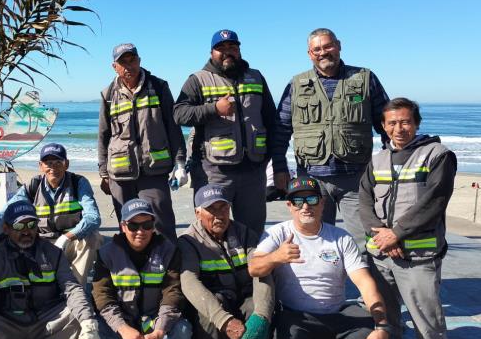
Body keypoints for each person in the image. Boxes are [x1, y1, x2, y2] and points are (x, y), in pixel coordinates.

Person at [271, 28, 390, 251]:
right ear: (309, 53)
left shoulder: (364, 78)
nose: (323, 52)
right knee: (317, 242)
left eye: (328, 46)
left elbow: (386, 124)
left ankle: (369, 286)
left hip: (356, 179)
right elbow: (280, 130)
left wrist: (390, 165)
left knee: (365, 243)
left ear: (339, 45)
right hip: (312, 180)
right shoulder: (297, 84)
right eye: (317, 49)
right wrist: (279, 168)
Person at [249, 177, 390, 339]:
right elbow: (254, 267)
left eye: (312, 200)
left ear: (322, 203)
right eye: (298, 201)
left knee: (372, 337)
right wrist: (276, 257)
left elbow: (365, 283)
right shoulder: (276, 234)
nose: (305, 207)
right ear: (289, 206)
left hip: (337, 312)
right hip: (295, 315)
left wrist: (382, 325)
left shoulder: (341, 238)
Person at [359, 97, 456, 339]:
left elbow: (434, 201)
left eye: (405, 122)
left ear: (416, 123)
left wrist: (396, 234)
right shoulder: (377, 159)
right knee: (386, 326)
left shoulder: (438, 155)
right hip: (381, 258)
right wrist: (379, 235)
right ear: (383, 126)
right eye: (392, 123)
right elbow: (364, 199)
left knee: (428, 327)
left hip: (418, 259)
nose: (399, 129)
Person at [0, 142, 102, 285]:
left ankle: (76, 290)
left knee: (92, 237)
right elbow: (3, 215)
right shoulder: (33, 186)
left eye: (58, 162)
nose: (53, 167)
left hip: (69, 244)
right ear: (40, 165)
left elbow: (93, 218)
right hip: (40, 244)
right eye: (48, 163)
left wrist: (66, 238)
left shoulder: (78, 183)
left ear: (66, 164)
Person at [173, 29, 278, 237]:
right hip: (214, 172)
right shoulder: (198, 79)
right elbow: (179, 114)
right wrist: (213, 109)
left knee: (253, 231)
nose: (227, 52)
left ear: (239, 50)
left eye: (232, 47)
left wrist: (274, 161)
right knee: (212, 230)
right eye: (221, 48)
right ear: (212, 52)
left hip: (253, 170)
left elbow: (271, 120)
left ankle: (250, 269)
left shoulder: (255, 77)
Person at [0, 200, 101, 339]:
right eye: (19, 226)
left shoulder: (54, 254)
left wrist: (89, 324)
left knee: (76, 315)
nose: (26, 231)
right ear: (6, 229)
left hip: (45, 321)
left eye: (31, 224)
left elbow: (72, 288)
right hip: (8, 323)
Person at [99, 43, 187, 241]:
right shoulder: (108, 95)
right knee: (128, 228)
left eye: (132, 60)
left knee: (161, 224)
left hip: (154, 171)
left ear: (139, 61)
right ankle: (132, 269)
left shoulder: (158, 87)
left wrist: (180, 162)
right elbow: (103, 136)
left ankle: (169, 268)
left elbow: (173, 127)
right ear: (115, 66)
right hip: (120, 175)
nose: (129, 66)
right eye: (123, 62)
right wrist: (104, 174)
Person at [179, 184, 275, 339]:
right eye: (211, 209)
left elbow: (262, 271)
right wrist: (224, 320)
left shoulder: (245, 234)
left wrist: (262, 314)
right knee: (208, 318)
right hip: (215, 302)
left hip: (244, 297)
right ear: (198, 213)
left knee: (257, 314)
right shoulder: (188, 241)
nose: (219, 215)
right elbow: (189, 282)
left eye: (223, 207)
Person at [92, 198, 192, 339]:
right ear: (123, 226)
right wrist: (123, 329)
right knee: (96, 329)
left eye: (147, 225)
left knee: (182, 330)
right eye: (133, 226)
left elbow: (173, 293)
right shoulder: (106, 254)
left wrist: (159, 331)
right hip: (121, 323)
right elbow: (102, 297)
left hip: (154, 322)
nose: (141, 231)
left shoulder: (169, 252)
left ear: (153, 226)